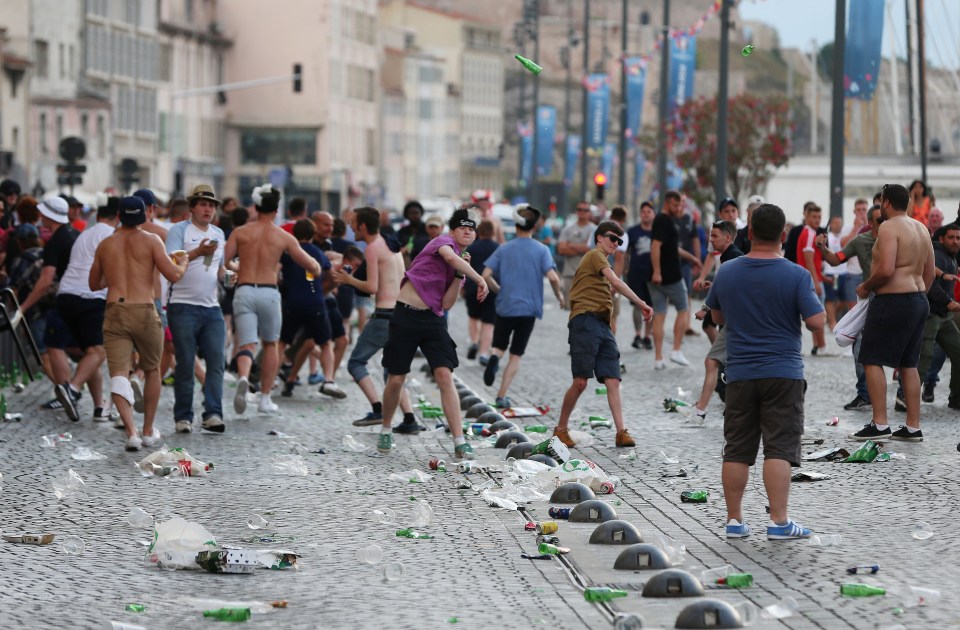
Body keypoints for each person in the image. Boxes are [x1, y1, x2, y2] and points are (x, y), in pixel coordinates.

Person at [704, 203, 825, 541]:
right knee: (779, 448)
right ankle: (779, 523)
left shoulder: (727, 271)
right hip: (783, 373)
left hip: (740, 372)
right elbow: (816, 323)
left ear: (750, 233)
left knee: (737, 448)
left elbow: (716, 318)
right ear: (783, 235)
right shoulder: (797, 274)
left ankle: (734, 521)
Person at [376, 208, 489, 459]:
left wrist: (461, 275)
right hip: (405, 315)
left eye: (472, 229)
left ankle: (459, 441)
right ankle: (386, 428)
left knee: (444, 376)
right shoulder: (442, 243)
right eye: (463, 227)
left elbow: (447, 304)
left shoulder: (461, 262)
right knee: (396, 378)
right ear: (453, 231)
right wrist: (479, 279)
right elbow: (450, 258)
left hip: (433, 320)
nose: (468, 231)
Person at [89, 196, 188, 451]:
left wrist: (113, 277)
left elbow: (94, 284)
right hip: (144, 309)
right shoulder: (152, 240)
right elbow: (173, 274)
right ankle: (147, 431)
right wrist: (184, 262)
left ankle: (131, 433)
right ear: (144, 215)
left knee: (119, 373)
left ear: (119, 216)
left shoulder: (106, 244)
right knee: (153, 369)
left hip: (115, 310)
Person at [551, 221, 653, 449]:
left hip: (602, 324)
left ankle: (621, 432)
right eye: (612, 238)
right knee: (580, 382)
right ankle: (560, 429)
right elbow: (616, 280)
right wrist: (641, 303)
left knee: (613, 379)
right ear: (599, 238)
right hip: (585, 321)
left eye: (619, 240)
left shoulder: (599, 262)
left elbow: (611, 284)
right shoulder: (595, 255)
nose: (615, 243)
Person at [223, 183, 323, 415]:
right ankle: (265, 398)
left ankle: (244, 377)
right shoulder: (283, 236)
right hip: (269, 292)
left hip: (245, 290)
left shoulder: (241, 232)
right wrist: (317, 269)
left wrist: (239, 267)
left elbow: (225, 261)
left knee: (247, 343)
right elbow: (310, 264)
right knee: (270, 344)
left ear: (255, 207)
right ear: (277, 210)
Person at [849, 183, 934, 442]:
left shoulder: (888, 227)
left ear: (885, 202)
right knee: (909, 363)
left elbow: (886, 269)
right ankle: (912, 427)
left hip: (893, 300)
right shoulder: (921, 228)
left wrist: (865, 286)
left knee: (872, 358)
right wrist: (915, 294)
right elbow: (929, 273)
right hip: (919, 299)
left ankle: (880, 423)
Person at [335, 207, 421, 432]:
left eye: (353, 223)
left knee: (355, 363)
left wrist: (348, 279)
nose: (351, 227)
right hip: (401, 313)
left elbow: (372, 287)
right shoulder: (392, 245)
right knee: (393, 372)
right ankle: (410, 419)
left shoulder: (373, 248)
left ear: (363, 226)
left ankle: (377, 408)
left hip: (384, 315)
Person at [481, 206, 564, 408]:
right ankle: (501, 395)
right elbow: (553, 278)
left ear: (516, 225)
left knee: (499, 346)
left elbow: (485, 276)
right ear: (534, 227)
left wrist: (497, 289)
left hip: (505, 306)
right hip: (528, 309)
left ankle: (493, 358)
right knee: (516, 354)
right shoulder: (542, 250)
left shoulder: (504, 248)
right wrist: (559, 295)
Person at [165, 184, 229, 434]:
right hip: (182, 306)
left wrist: (228, 277)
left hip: (211, 307)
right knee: (185, 364)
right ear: (192, 207)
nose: (208, 209)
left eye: (211, 205)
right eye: (202, 204)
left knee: (216, 362)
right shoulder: (179, 230)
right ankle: (183, 416)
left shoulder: (219, 233)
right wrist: (198, 251)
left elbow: (220, 269)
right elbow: (171, 263)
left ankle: (213, 413)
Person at [52, 196, 121, 423]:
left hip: (66, 296)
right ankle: (72, 389)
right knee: (99, 352)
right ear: (118, 217)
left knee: (90, 353)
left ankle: (99, 407)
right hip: (89, 297)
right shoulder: (111, 235)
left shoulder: (85, 233)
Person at [818, 204, 883, 411]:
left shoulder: (898, 238)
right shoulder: (861, 240)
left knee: (904, 354)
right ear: (870, 223)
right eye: (880, 221)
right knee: (860, 348)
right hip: (871, 301)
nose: (885, 224)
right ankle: (865, 394)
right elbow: (836, 260)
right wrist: (822, 247)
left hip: (896, 300)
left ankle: (903, 397)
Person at [19, 196, 80, 409]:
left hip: (66, 298)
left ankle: (66, 391)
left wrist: (24, 306)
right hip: (83, 297)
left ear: (49, 216)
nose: (40, 217)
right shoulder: (75, 234)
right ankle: (93, 400)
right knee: (85, 349)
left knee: (54, 346)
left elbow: (45, 280)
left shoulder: (56, 241)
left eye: (43, 213)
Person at [277, 219, 346, 400]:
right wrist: (327, 288)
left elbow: (278, 275)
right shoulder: (317, 252)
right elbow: (332, 274)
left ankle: (268, 379)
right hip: (315, 303)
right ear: (313, 234)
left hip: (292, 303)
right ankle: (329, 380)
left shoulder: (289, 253)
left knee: (283, 343)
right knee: (325, 343)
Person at [691, 220, 743, 420]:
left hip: (736, 321)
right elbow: (725, 287)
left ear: (728, 237)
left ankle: (700, 410)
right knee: (728, 364)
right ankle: (707, 408)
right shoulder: (730, 257)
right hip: (737, 320)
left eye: (714, 236)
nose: (710, 240)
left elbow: (726, 289)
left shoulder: (732, 259)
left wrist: (705, 309)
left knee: (712, 361)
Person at [649, 191, 699, 369]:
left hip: (661, 275)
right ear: (668, 203)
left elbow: (672, 248)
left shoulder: (664, 220)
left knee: (660, 314)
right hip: (669, 275)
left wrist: (691, 258)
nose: (679, 209)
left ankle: (658, 358)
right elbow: (656, 246)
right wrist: (657, 271)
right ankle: (676, 350)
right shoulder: (664, 220)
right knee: (683, 308)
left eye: (681, 206)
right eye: (676, 205)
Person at [463, 219, 499, 364]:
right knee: (488, 322)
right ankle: (484, 353)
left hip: (472, 287)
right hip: (491, 288)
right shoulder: (499, 248)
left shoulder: (471, 248)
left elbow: (464, 267)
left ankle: (473, 341)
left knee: (473, 317)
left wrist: (462, 287)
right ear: (493, 232)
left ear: (478, 232)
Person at [795, 203, 828, 354]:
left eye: (819, 217)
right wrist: (816, 281)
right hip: (812, 279)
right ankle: (821, 346)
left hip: (807, 278)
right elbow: (809, 259)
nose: (817, 220)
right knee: (819, 313)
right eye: (814, 217)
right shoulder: (809, 234)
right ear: (806, 217)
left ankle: (817, 345)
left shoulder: (808, 233)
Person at [626, 201, 656, 350]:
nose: (645, 214)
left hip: (652, 274)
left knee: (651, 306)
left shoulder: (657, 232)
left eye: (648, 211)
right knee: (637, 305)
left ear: (653, 214)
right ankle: (638, 334)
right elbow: (625, 251)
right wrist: (625, 267)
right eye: (643, 211)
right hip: (636, 273)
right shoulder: (632, 231)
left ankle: (647, 336)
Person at [557, 201, 595, 307]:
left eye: (585, 210)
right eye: (580, 209)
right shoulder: (567, 229)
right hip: (569, 274)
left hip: (588, 274)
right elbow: (561, 249)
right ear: (576, 212)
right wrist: (582, 247)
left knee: (586, 308)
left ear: (589, 212)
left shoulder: (594, 230)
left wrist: (571, 244)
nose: (582, 212)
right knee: (570, 309)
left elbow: (591, 250)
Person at [822, 216, 847, 331]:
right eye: (835, 223)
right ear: (830, 225)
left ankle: (831, 316)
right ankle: (832, 321)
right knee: (830, 298)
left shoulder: (844, 235)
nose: (838, 225)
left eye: (840, 223)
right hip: (830, 271)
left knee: (844, 299)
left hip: (844, 271)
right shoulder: (827, 237)